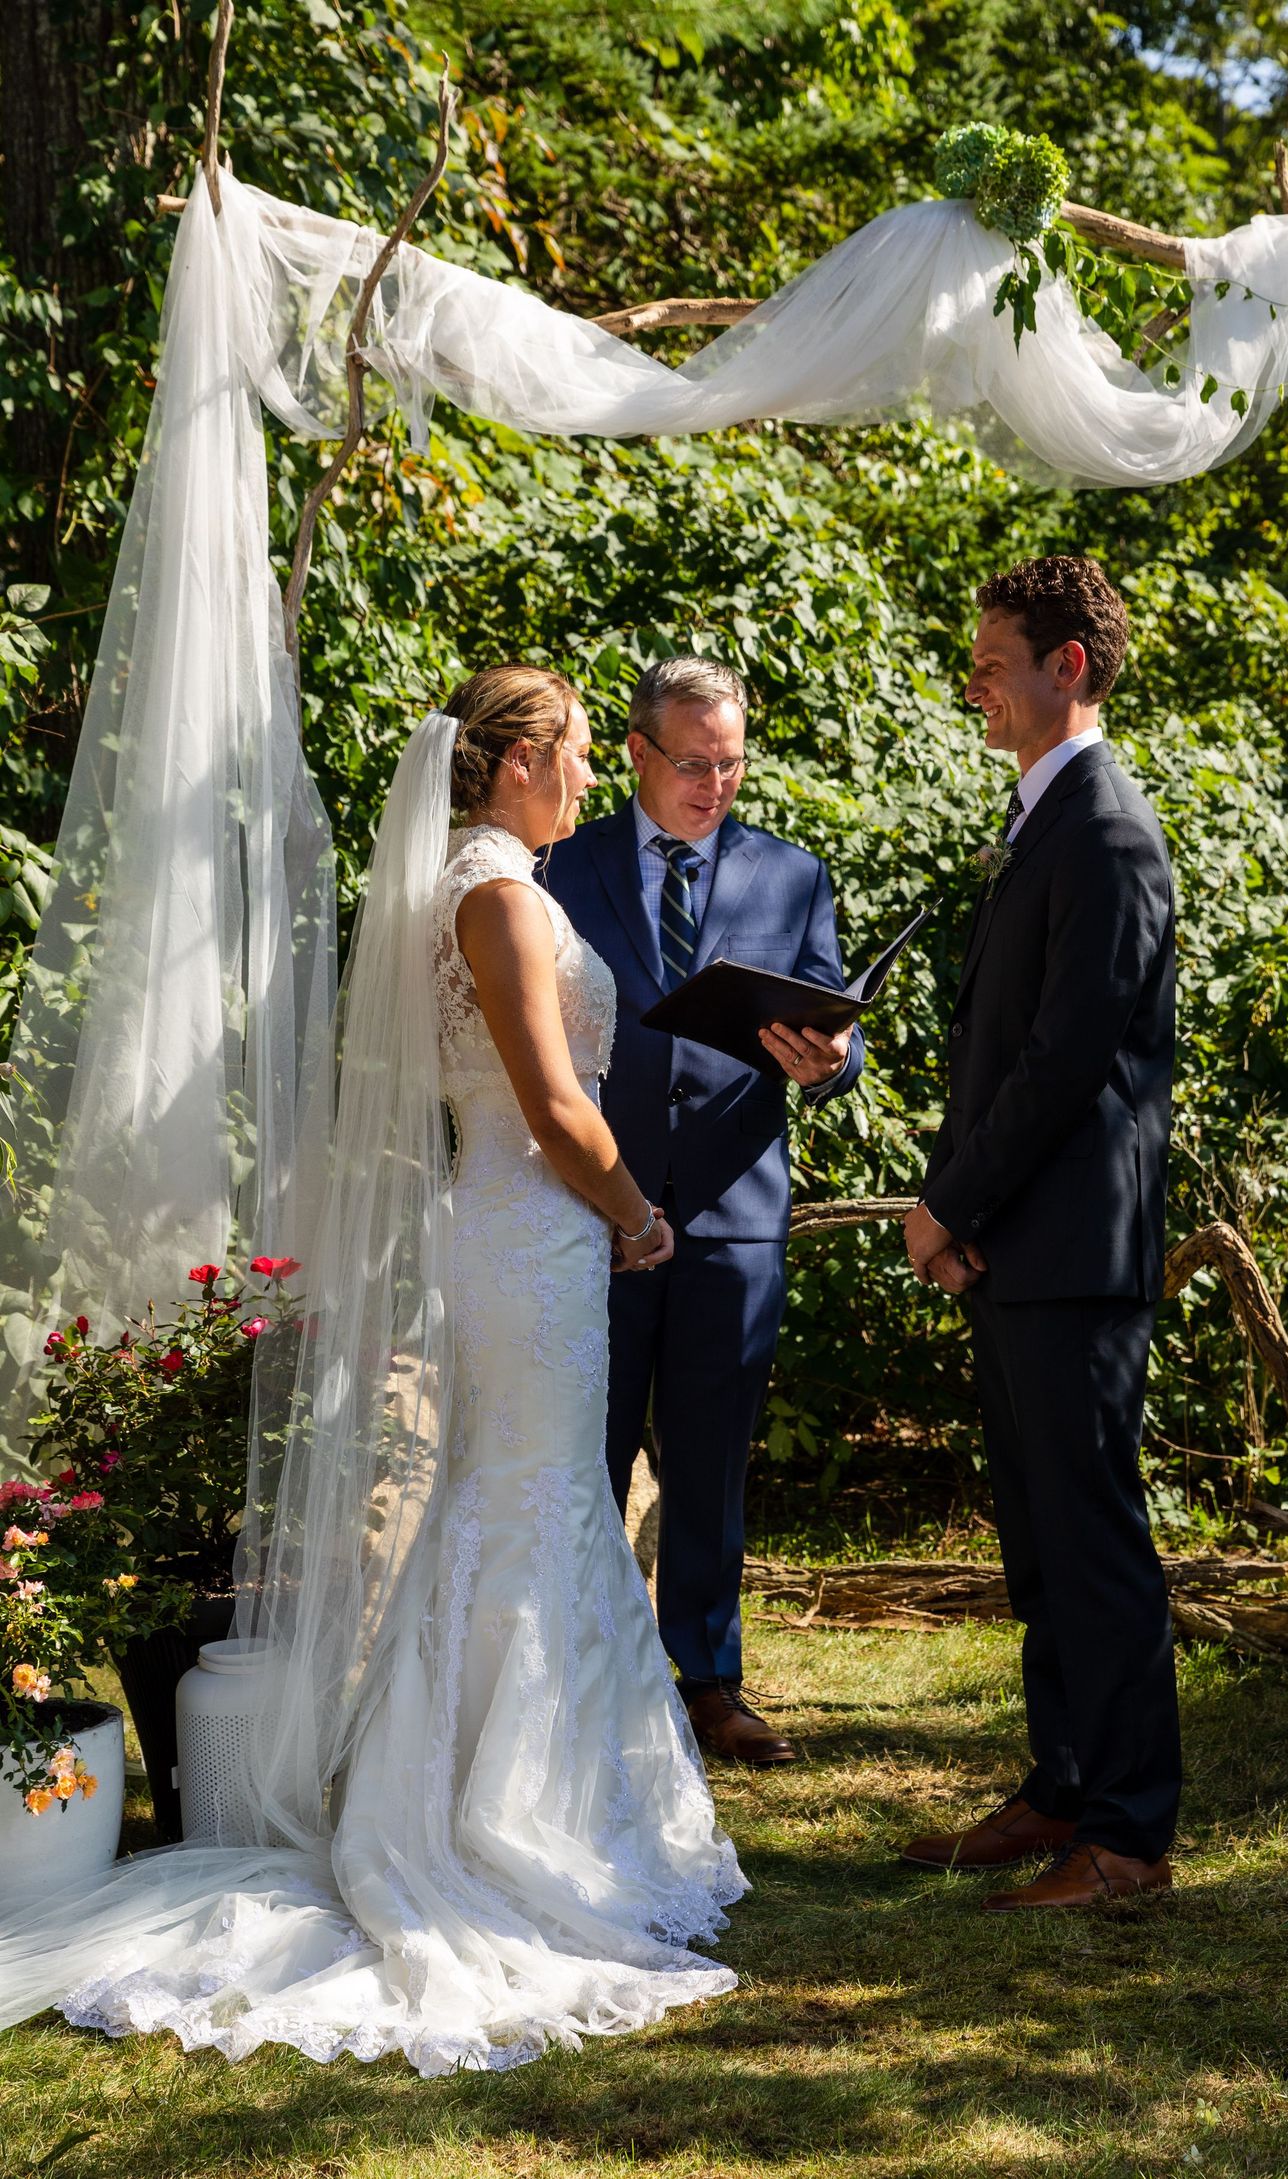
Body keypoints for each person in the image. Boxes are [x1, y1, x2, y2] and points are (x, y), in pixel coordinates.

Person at [0, 668, 744, 2073]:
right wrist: (636, 1211)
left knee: (522, 1502)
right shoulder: (498, 895)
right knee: (530, 1504)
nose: (589, 776)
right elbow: (552, 1101)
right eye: (579, 752)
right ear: (517, 759)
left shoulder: (471, 883)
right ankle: (506, 1822)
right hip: (531, 1232)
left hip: (519, 1233)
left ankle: (514, 1794)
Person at [899, 557, 1180, 1911]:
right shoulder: (1043, 820)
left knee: (1095, 1543)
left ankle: (1126, 1838)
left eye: (993, 662)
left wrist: (950, 1202)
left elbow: (1066, 1063)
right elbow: (997, 1050)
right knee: (1040, 1541)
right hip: (1019, 1246)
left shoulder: (1109, 833)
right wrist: (968, 1213)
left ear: (1068, 666)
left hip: (1073, 1250)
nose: (976, 684)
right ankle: (1062, 1785)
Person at [545, 657, 864, 1767]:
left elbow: (838, 1031)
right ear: (637, 751)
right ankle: (580, 1674)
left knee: (713, 1458)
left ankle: (709, 1684)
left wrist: (831, 1061)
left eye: (732, 765)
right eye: (693, 763)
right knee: (581, 1447)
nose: (715, 785)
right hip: (593, 1207)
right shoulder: (559, 863)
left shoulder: (794, 875)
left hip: (735, 1210)